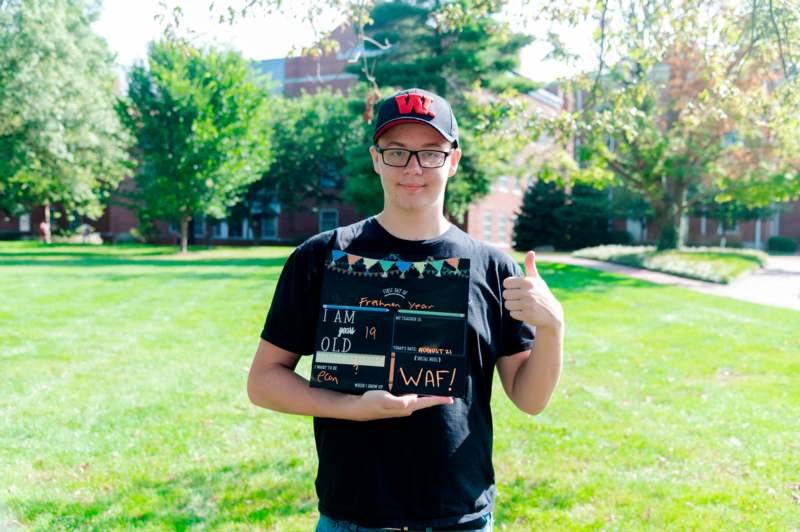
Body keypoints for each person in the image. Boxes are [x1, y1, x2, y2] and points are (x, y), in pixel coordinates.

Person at [248, 88, 564, 532]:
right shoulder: (322, 256)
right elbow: (263, 382)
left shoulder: (494, 267)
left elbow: (529, 399)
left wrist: (553, 328)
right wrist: (351, 407)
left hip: (460, 517)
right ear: (376, 158)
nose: (413, 168)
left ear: (453, 161)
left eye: (430, 153)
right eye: (398, 152)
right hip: (354, 517)